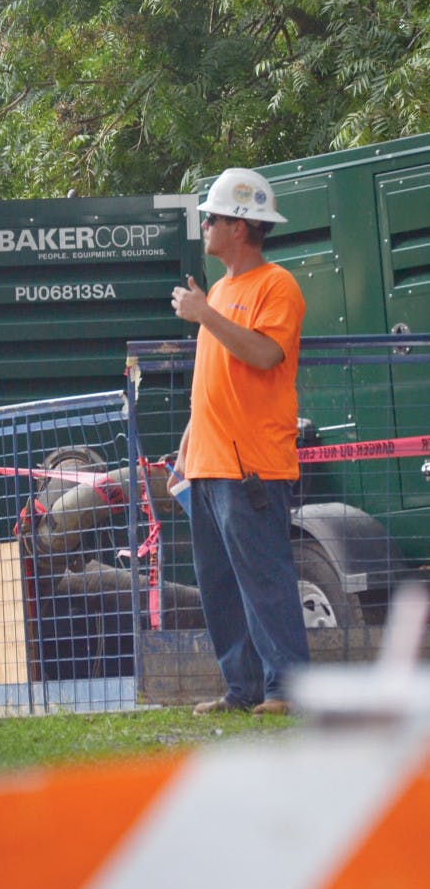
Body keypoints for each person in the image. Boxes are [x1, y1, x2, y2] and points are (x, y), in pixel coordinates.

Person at [168, 167, 310, 716]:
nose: (205, 223)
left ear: (241, 227)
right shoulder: (224, 289)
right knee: (220, 587)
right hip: (208, 464)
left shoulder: (277, 286)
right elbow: (215, 383)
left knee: (265, 581)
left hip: (249, 466)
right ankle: (242, 689)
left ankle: (286, 689)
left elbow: (264, 355)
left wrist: (206, 314)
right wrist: (188, 441)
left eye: (214, 217)